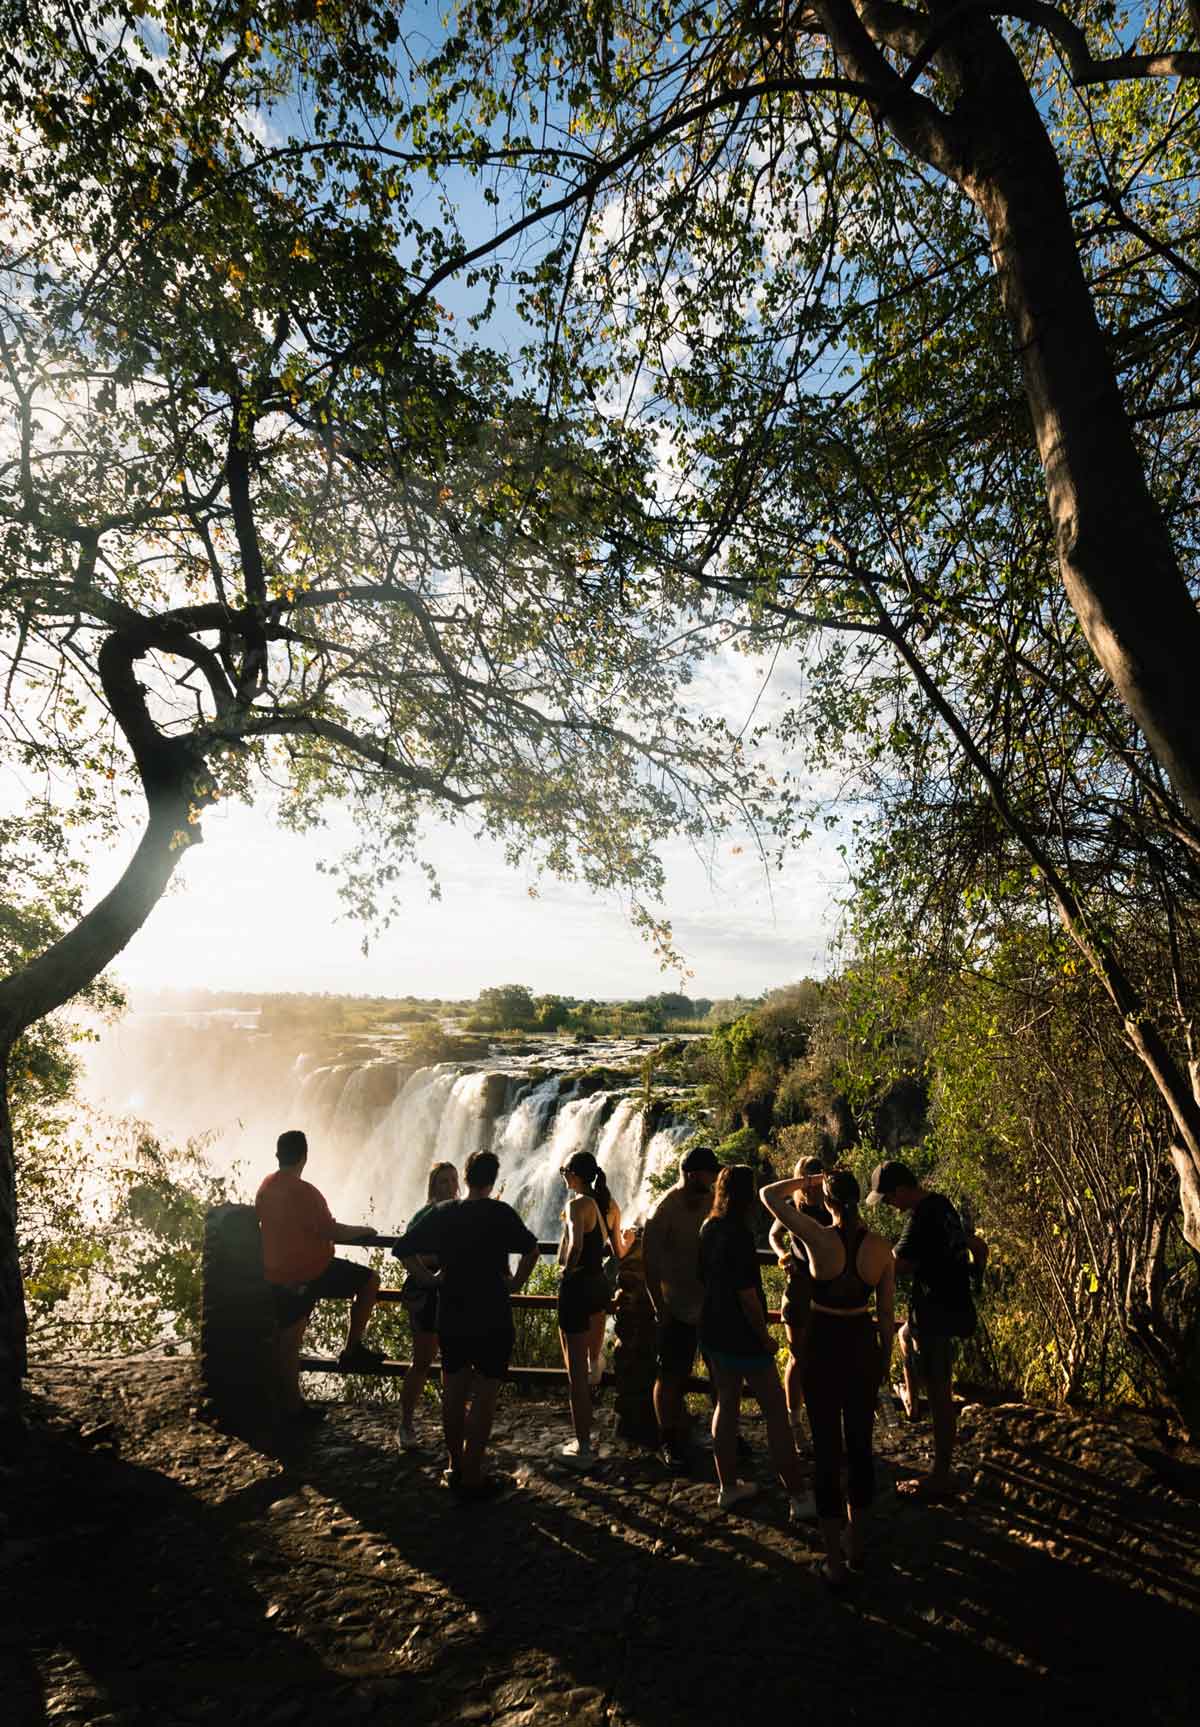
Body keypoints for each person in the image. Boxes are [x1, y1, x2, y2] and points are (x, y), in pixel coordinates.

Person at [762, 1168, 895, 1587]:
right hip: (862, 1348)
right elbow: (887, 1317)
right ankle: (857, 1547)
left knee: (826, 1450)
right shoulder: (881, 1249)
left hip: (824, 1349)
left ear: (830, 1203)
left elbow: (768, 1195)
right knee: (859, 1448)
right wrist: (884, 1363)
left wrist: (807, 1182)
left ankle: (833, 1561)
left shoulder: (820, 1239)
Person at [390, 1148, 539, 1501]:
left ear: (467, 1178)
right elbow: (531, 1250)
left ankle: (456, 1466)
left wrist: (430, 1279)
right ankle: (474, 1472)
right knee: (485, 1395)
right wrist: (516, 1283)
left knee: (453, 1394)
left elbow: (402, 1249)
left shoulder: (443, 1212)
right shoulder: (501, 1213)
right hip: (493, 1315)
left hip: (452, 1313)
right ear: (492, 1179)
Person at [865, 1159, 984, 1502]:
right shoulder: (942, 1205)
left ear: (901, 1190)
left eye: (888, 1198)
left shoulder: (921, 1217)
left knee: (940, 1395)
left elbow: (896, 1263)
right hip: (949, 1307)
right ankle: (912, 1404)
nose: (890, 1205)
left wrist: (868, 1256)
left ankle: (940, 1475)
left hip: (936, 1313)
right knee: (906, 1339)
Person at [698, 1164, 810, 1518]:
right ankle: (798, 1496)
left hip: (713, 1328)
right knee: (776, 1412)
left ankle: (728, 1487)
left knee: (726, 1405)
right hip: (743, 1335)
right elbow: (747, 1294)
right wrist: (765, 1337)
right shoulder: (740, 1235)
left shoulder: (709, 1227)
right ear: (748, 1196)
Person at [255, 1129, 382, 1422]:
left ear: (278, 1155)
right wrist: (365, 1231)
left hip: (277, 1271)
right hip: (309, 1272)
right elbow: (332, 1231)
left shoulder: (266, 1186)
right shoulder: (305, 1192)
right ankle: (351, 1350)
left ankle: (285, 1403)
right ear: (304, 1156)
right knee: (369, 1280)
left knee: (286, 1341)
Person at [641, 1142, 720, 1471]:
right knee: (671, 1376)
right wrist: (659, 1306)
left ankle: (724, 1435)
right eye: (708, 1173)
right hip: (676, 1305)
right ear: (691, 1175)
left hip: (711, 1304)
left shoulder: (712, 1200)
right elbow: (649, 1261)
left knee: (720, 1373)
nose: (714, 1178)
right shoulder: (665, 1209)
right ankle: (669, 1440)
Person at [395, 1160, 460, 1451]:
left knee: (456, 1361)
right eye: (442, 1181)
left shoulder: (460, 1212)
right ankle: (405, 1423)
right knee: (422, 1361)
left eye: (452, 1180)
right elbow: (408, 1250)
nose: (448, 1186)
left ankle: (455, 1423)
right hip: (427, 1295)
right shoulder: (424, 1215)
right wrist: (433, 1270)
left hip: (454, 1294)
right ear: (433, 1186)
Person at [769, 1155, 829, 1440]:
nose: (813, 1183)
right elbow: (774, 1236)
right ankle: (794, 1421)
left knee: (822, 1357)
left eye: (816, 1176)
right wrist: (783, 1257)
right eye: (807, 1177)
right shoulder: (793, 1206)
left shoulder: (832, 1207)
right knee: (798, 1357)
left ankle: (820, 1420)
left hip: (827, 1292)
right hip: (798, 1289)